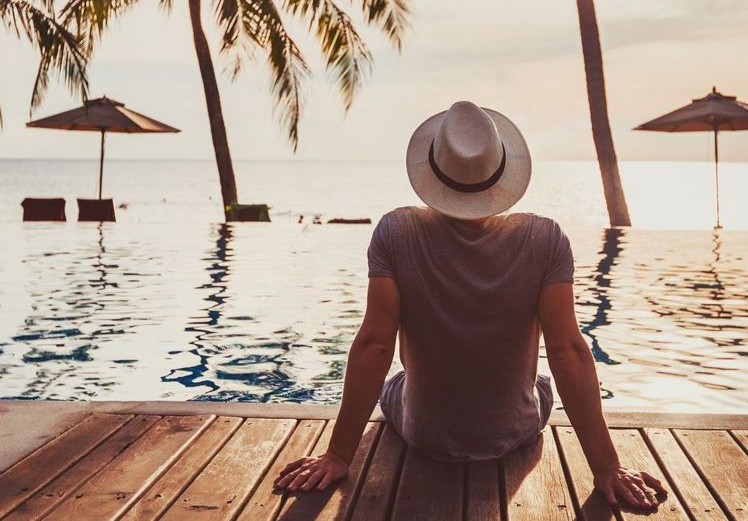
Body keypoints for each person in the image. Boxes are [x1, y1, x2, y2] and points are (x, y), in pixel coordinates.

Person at [274, 101, 666, 511]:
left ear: (432, 169)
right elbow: (568, 351)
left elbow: (374, 344)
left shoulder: (396, 232)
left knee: (395, 383)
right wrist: (607, 466)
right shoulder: (546, 239)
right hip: (514, 431)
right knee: (544, 383)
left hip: (423, 432)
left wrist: (338, 455)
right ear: (501, 171)